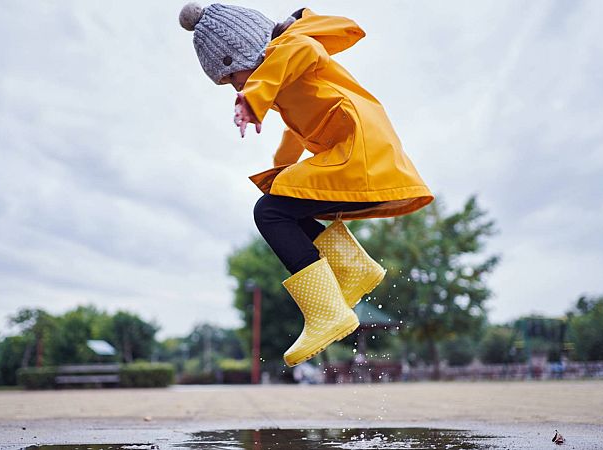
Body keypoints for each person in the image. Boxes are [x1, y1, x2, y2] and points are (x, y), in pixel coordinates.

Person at [179, 3, 433, 367]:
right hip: (362, 157)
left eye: (232, 76)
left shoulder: (294, 46)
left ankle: (328, 312)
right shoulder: (286, 78)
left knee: (269, 213)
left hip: (360, 156)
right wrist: (281, 173)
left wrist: (253, 97)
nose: (235, 85)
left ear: (246, 53)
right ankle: (351, 268)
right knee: (279, 204)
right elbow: (295, 133)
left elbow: (302, 52)